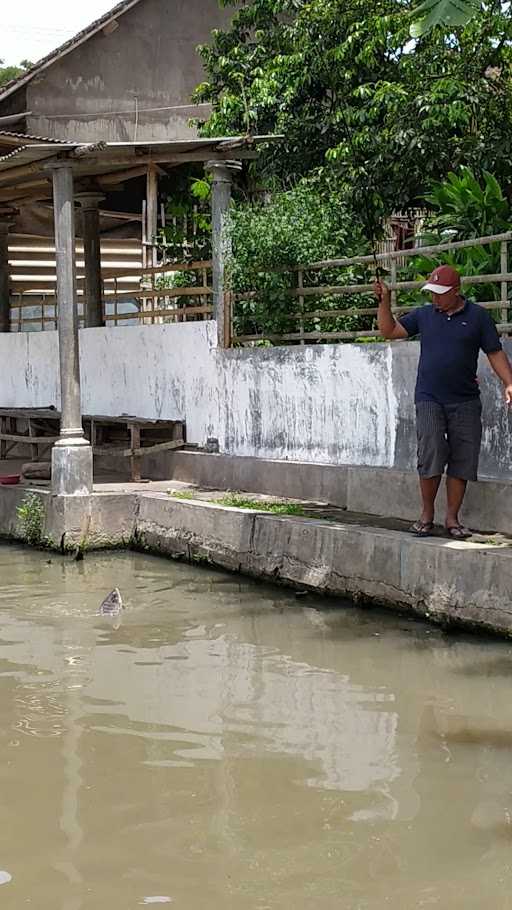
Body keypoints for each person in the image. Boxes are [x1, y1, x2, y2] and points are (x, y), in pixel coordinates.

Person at [374, 264, 512, 538]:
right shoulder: (425, 315)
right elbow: (389, 331)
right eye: (432, 293)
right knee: (431, 452)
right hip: (429, 397)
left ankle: (452, 519)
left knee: (463, 459)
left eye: (440, 293)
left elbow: (494, 353)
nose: (435, 298)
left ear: (456, 292)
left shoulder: (479, 318)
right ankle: (426, 515)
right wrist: (384, 302)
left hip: (465, 400)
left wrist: (509, 382)